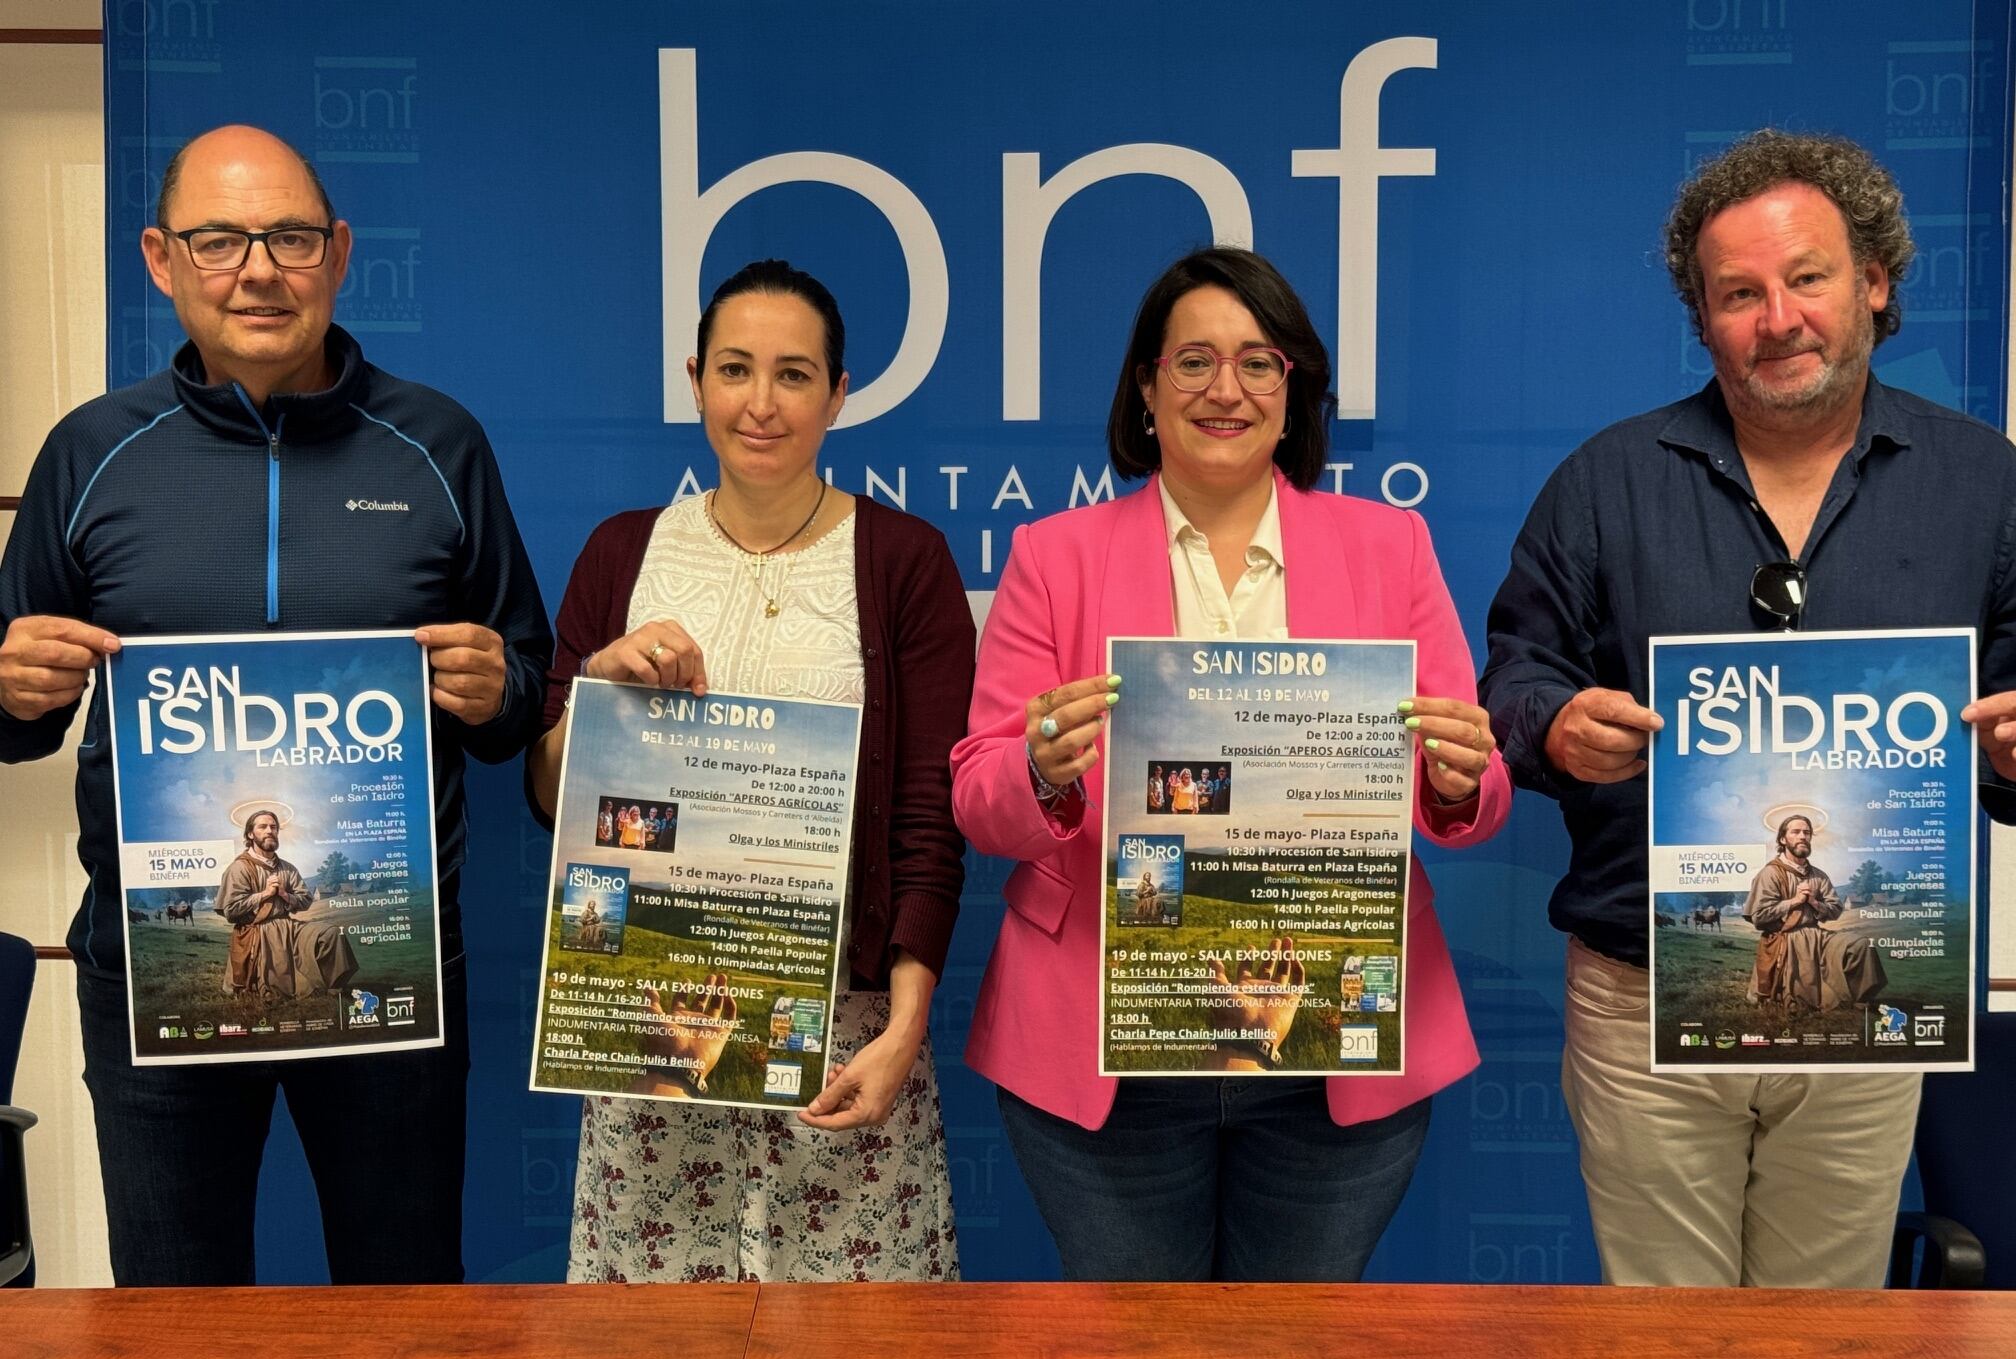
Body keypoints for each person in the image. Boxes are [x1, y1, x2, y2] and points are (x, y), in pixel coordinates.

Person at [0, 126, 552, 1286]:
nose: (259, 269)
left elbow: (522, 689)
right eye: (219, 240)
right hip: (154, 1004)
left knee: (407, 1316)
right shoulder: (89, 454)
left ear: (340, 253)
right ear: (161, 258)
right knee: (172, 1322)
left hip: (389, 988)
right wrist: (7, 683)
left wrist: (500, 686)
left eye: (292, 238)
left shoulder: (438, 444)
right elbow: (15, 722)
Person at [1480, 129, 2016, 1288]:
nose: (1778, 319)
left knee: (1821, 1356)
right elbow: (1517, 677)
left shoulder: (1987, 483)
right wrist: (1557, 730)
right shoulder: (1606, 482)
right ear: (1703, 316)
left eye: (1807, 278)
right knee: (1667, 1349)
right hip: (1643, 992)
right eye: (1739, 295)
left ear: (1875, 280)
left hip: (1867, 997)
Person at [951, 247, 1511, 1281]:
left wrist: (1457, 774)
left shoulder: (1392, 548)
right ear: (1147, 388)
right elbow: (981, 797)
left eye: (1259, 363)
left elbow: (1469, 776)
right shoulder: (1052, 555)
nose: (1227, 389)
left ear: (1295, 393)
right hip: (1106, 1049)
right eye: (1196, 360)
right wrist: (1041, 769)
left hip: (1331, 1042)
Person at [527, 260, 970, 1282]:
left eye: (795, 375)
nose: (761, 404)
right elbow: (551, 798)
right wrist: (594, 693)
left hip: (846, 1037)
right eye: (735, 369)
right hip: (647, 1032)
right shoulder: (620, 553)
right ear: (694, 380)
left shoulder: (904, 560)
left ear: (840, 394)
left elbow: (925, 821)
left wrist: (904, 1028)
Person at [1744, 814, 1885, 1012]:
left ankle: (1860, 998)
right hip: (1786, 939)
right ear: (1783, 839)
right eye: (1795, 832)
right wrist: (1794, 902)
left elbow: (1835, 909)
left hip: (1817, 935)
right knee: (1803, 1000)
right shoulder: (1770, 873)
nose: (1802, 836)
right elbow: (1759, 916)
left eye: (1807, 833)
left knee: (1860, 945)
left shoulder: (1818, 875)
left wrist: (1813, 902)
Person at [215, 808, 358, 998]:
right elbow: (231, 911)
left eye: (273, 827)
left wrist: (284, 895)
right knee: (277, 990)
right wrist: (264, 894)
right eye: (262, 827)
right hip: (257, 930)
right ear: (250, 834)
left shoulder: (287, 868)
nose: (269, 831)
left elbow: (306, 900)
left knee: (331, 933)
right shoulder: (239, 867)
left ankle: (333, 987)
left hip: (289, 926)